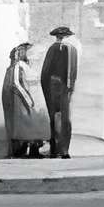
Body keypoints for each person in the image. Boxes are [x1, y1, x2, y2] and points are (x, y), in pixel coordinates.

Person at [2, 41, 48, 158]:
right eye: (28, 52)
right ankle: (28, 149)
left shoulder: (26, 66)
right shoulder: (17, 66)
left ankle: (33, 149)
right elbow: (16, 83)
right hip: (24, 99)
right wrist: (27, 98)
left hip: (34, 97)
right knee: (28, 123)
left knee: (34, 122)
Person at [40, 24, 79, 159]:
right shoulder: (73, 50)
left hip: (54, 86)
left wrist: (44, 86)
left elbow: (45, 71)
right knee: (65, 118)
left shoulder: (54, 48)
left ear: (57, 36)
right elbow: (74, 73)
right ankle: (65, 150)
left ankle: (55, 149)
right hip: (67, 89)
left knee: (54, 116)